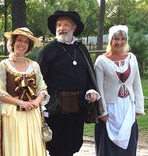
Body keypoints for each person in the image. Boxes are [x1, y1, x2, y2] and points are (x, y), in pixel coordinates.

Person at [37, 10, 103, 156]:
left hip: (77, 108)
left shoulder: (81, 49)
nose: (61, 28)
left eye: (66, 24)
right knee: (57, 148)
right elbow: (38, 80)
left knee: (73, 144)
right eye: (59, 25)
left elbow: (89, 75)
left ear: (74, 28)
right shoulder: (48, 51)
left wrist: (90, 90)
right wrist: (43, 105)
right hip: (55, 109)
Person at [0, 27, 49, 156]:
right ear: (13, 42)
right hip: (11, 115)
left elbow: (42, 88)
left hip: (32, 115)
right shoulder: (4, 65)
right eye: (19, 40)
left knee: (31, 147)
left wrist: (36, 102)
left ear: (29, 46)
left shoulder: (34, 65)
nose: (22, 44)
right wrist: (20, 103)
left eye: (26, 42)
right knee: (15, 149)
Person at [94, 25, 145, 156]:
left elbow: (137, 84)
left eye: (123, 39)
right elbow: (99, 88)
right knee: (109, 147)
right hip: (110, 109)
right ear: (111, 40)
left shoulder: (131, 58)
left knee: (128, 144)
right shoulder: (101, 61)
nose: (119, 42)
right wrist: (102, 112)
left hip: (128, 106)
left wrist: (138, 107)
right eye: (116, 38)